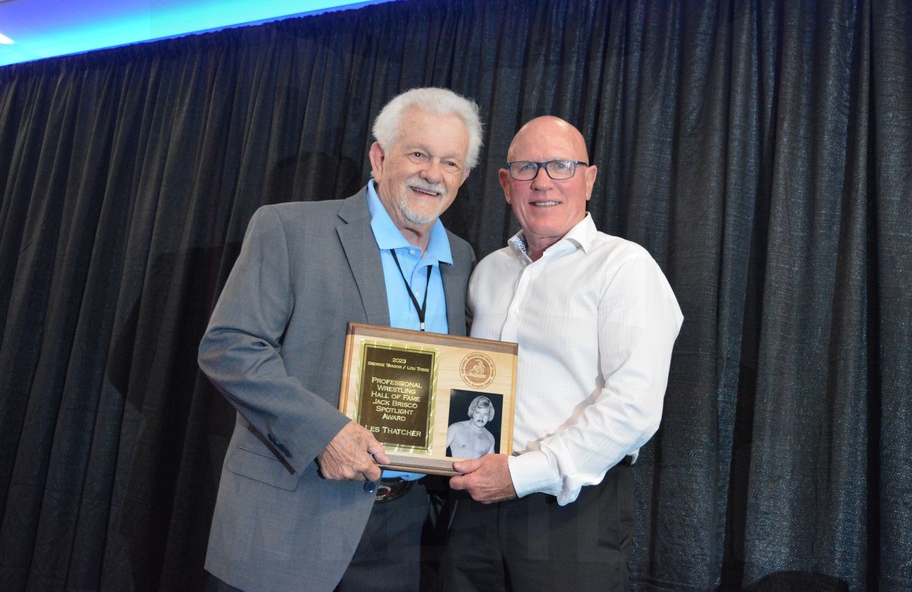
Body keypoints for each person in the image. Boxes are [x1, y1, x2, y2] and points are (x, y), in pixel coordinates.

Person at [198, 87, 482, 592]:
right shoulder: (289, 227)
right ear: (378, 157)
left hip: (402, 529)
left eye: (450, 162)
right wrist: (323, 432)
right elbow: (231, 345)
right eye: (418, 153)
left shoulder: (462, 259)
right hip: (293, 511)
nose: (433, 174)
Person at [440, 116, 683, 591]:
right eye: (527, 168)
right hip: (472, 507)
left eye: (561, 166)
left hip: (569, 511)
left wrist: (522, 474)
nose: (543, 182)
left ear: (588, 180)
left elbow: (634, 406)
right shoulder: (487, 271)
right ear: (507, 185)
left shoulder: (625, 267)